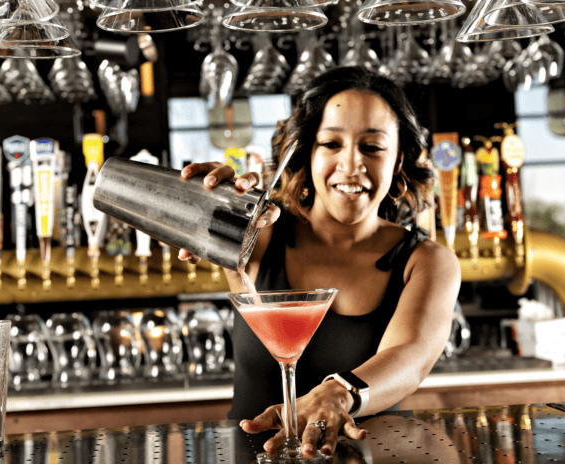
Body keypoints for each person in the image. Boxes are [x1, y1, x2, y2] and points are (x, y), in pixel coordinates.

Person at [178, 66, 461, 458]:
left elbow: (410, 356)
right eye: (331, 144)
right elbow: (188, 218)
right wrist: (203, 199)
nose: (351, 165)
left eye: (373, 147)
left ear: (398, 161)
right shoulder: (259, 236)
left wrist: (338, 393)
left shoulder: (426, 261)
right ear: (307, 153)